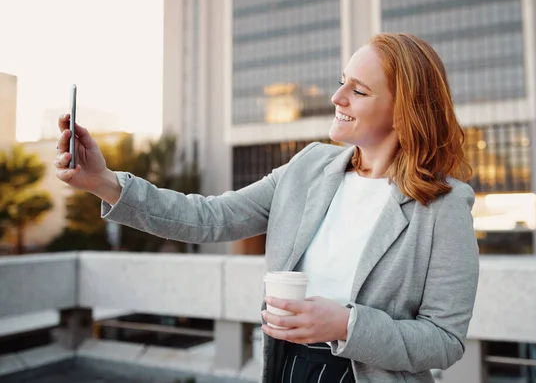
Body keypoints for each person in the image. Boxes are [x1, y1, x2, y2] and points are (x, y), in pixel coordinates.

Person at [55, 32, 479, 383]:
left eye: (358, 90)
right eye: (342, 81)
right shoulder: (308, 167)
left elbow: (444, 340)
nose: (337, 97)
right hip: (288, 369)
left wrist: (346, 326)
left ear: (404, 112)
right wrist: (104, 183)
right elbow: (208, 218)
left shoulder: (444, 205)